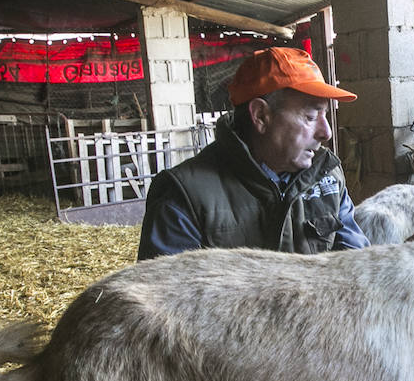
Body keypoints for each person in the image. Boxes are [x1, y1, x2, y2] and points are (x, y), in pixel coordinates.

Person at [137, 46, 369, 260]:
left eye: (325, 115)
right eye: (310, 116)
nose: (326, 132)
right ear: (260, 116)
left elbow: (356, 270)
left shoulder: (327, 177)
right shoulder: (184, 196)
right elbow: (164, 298)